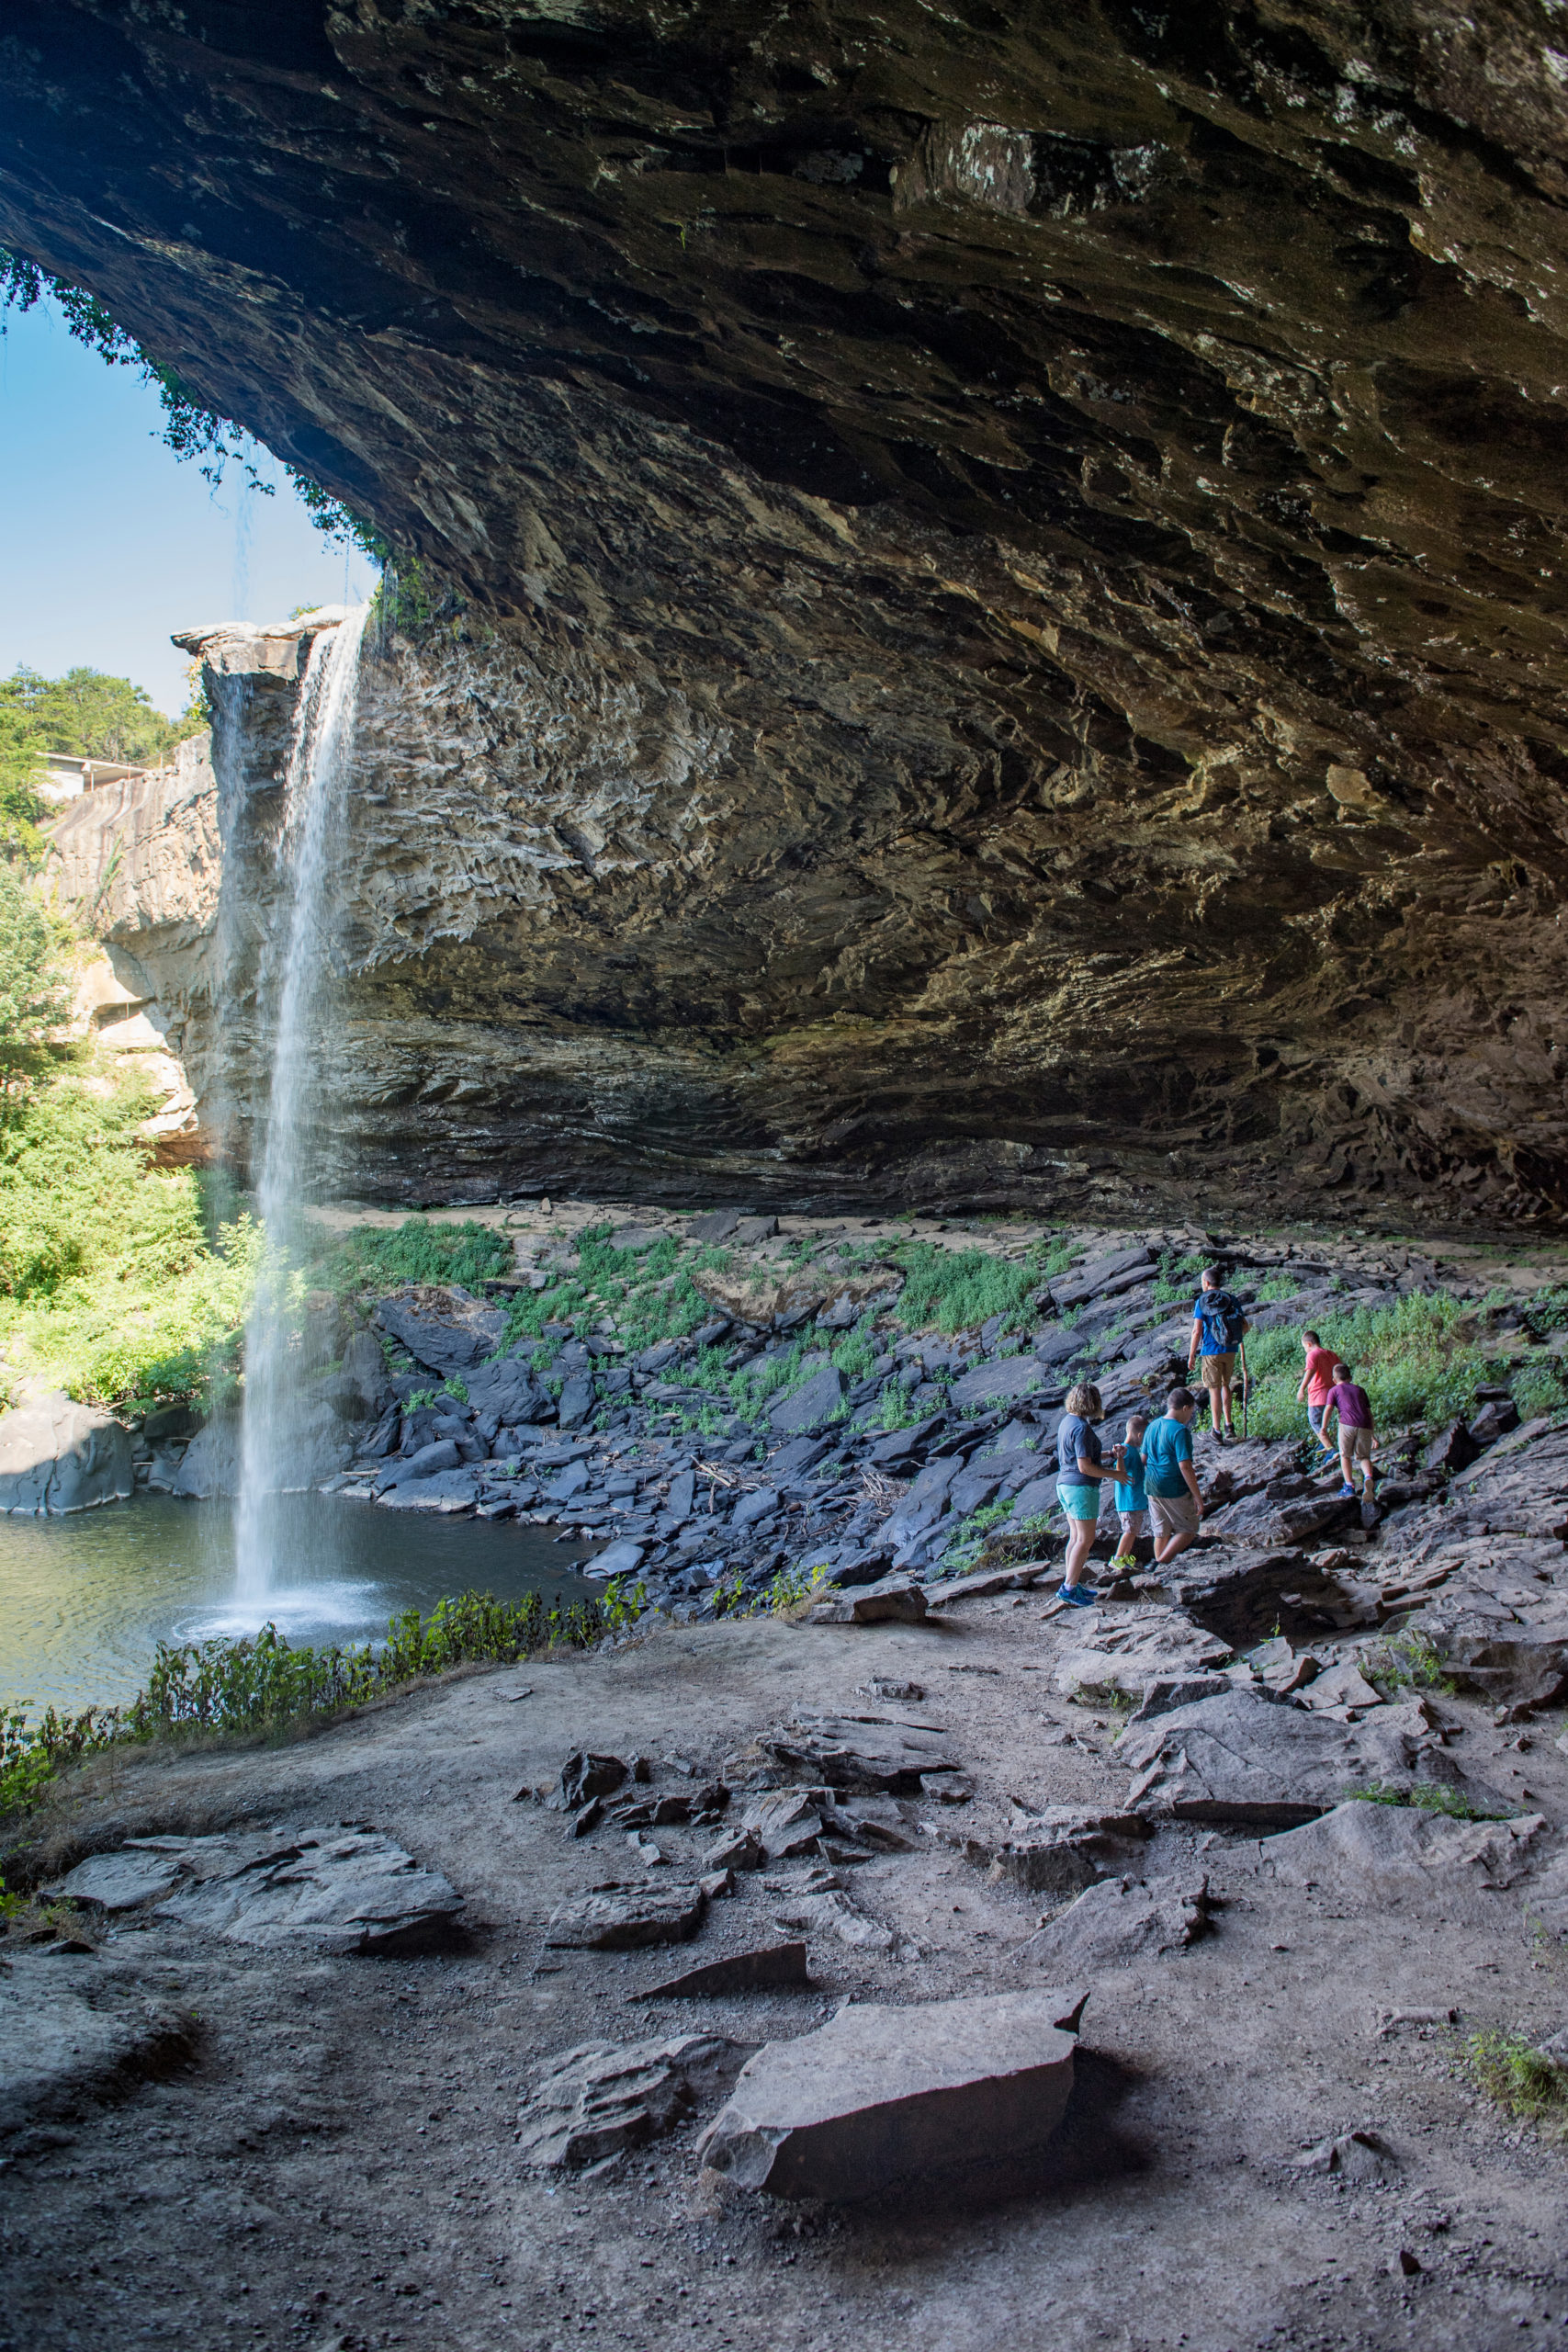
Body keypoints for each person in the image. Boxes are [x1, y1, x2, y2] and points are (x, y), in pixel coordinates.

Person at [1054, 1381, 1111, 1607]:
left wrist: (1107, 1454)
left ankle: (1072, 1583)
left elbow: (1079, 1456)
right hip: (1081, 1487)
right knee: (1085, 1539)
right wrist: (1114, 1475)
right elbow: (1084, 1466)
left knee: (1076, 1537)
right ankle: (1068, 1588)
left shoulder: (1068, 1422)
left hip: (1065, 1485)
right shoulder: (1081, 1428)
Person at [1187, 1266, 1250, 1442]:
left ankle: (1216, 1431)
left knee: (1214, 1389)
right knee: (1225, 1385)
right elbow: (1245, 1325)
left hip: (1211, 1350)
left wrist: (1191, 1355)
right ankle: (1229, 1426)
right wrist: (1234, 1339)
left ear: (1206, 1283)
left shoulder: (1202, 1300)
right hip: (1230, 1349)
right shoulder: (1232, 1299)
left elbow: (1196, 1331)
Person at [1142, 1385, 1205, 1563]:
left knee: (1161, 1530)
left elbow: (1143, 1458)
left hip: (1151, 1485)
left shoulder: (1153, 1425)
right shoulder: (1180, 1431)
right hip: (1172, 1486)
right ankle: (1161, 1560)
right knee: (1189, 1528)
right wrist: (1197, 1497)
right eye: (1191, 1411)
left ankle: (1158, 1566)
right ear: (1185, 1408)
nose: (1191, 1416)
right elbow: (1185, 1466)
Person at [1324, 1359, 1377, 1500]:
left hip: (1347, 1424)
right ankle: (1368, 1477)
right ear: (1350, 1378)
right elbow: (1369, 1414)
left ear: (1334, 1379)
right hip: (1365, 1425)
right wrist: (1372, 1436)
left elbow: (1328, 1409)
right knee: (1364, 1456)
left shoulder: (1334, 1390)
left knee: (1345, 1455)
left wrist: (1323, 1427)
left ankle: (1349, 1486)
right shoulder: (1360, 1390)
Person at [1108, 1412, 1148, 1572]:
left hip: (1134, 1500)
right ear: (1139, 1434)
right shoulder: (1126, 1450)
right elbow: (1119, 1471)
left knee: (1133, 1530)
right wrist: (1119, 1458)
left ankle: (1125, 1557)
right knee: (1130, 1530)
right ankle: (1117, 1558)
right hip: (1129, 1501)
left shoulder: (1131, 1451)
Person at [1295, 1327, 1341, 1464]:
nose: (1305, 1349)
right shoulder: (1332, 1354)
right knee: (1326, 1421)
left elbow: (1310, 1371)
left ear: (1308, 1344)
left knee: (1315, 1421)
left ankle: (1331, 1450)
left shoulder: (1312, 1355)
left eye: (1304, 1347)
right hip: (1334, 1393)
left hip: (1318, 1395)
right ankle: (1326, 1443)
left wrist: (1301, 1389)